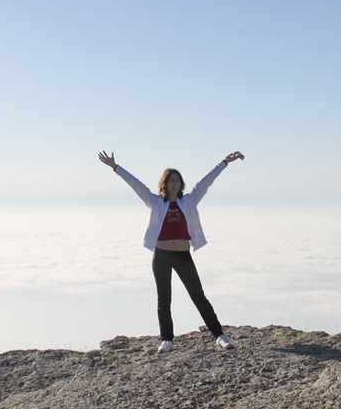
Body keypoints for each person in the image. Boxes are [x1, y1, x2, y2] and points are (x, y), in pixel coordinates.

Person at [98, 150, 245, 352]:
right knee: (164, 299)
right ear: (164, 184)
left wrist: (224, 162)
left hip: (183, 255)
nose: (175, 184)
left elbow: (206, 182)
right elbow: (136, 185)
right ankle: (167, 339)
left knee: (198, 296)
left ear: (181, 184)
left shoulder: (189, 201)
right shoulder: (156, 202)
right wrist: (115, 167)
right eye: (171, 181)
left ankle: (220, 335)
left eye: (177, 180)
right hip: (161, 256)